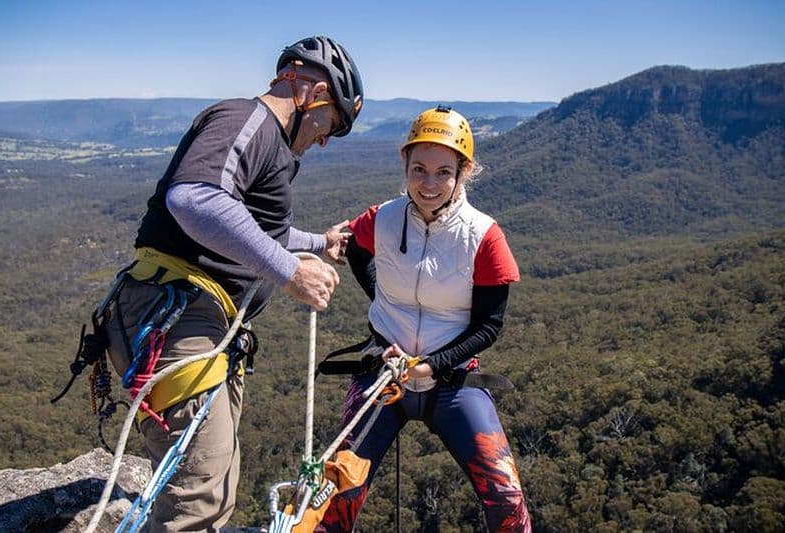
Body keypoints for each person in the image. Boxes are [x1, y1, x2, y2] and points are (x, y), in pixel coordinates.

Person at [102, 36, 363, 531]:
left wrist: (315, 244)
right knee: (197, 498)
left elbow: (254, 226)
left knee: (216, 486)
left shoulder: (270, 144)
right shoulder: (247, 119)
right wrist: (289, 272)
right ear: (312, 91)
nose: (325, 140)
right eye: (331, 124)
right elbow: (196, 198)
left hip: (196, 317)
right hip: (180, 313)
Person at [317, 106, 532, 532]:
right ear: (405, 165)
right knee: (335, 495)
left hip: (452, 382)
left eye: (443, 172)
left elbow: (490, 325)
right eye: (419, 169)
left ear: (462, 173)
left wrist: (434, 363)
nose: (428, 184)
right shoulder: (382, 218)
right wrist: (382, 302)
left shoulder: (484, 236)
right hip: (383, 373)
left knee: (507, 500)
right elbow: (357, 250)